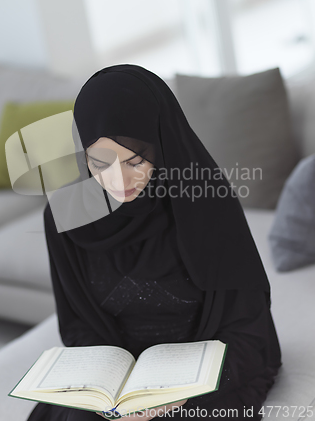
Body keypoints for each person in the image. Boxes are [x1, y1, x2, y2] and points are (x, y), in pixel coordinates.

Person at [27, 64, 282, 421]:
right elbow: (78, 327)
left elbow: (248, 334)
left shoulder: (208, 204)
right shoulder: (65, 218)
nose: (118, 181)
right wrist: (111, 390)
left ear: (162, 145)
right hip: (119, 383)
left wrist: (174, 397)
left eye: (135, 161)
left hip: (200, 379)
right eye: (100, 163)